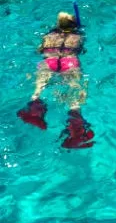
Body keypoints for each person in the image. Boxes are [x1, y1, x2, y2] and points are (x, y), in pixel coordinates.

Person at [17, 11, 94, 149]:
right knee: (74, 98)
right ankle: (76, 130)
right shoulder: (78, 35)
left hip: (49, 60)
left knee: (37, 91)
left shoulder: (49, 35)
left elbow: (40, 50)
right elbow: (81, 50)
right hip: (70, 62)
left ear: (58, 24)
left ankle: (35, 112)